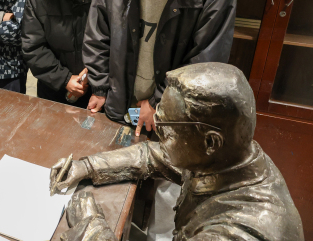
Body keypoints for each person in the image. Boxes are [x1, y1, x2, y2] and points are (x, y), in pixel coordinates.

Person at [82, 0, 237, 241]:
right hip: (119, 101)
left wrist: (159, 103)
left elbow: (205, 64)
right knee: (115, 186)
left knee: (169, 194)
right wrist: (102, 87)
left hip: (176, 115)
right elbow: (97, 35)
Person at [50, 63, 304, 241]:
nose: (161, 137)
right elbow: (152, 156)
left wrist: (89, 227)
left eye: (168, 131)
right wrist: (85, 166)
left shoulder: (238, 231)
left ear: (210, 142)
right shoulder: (227, 159)